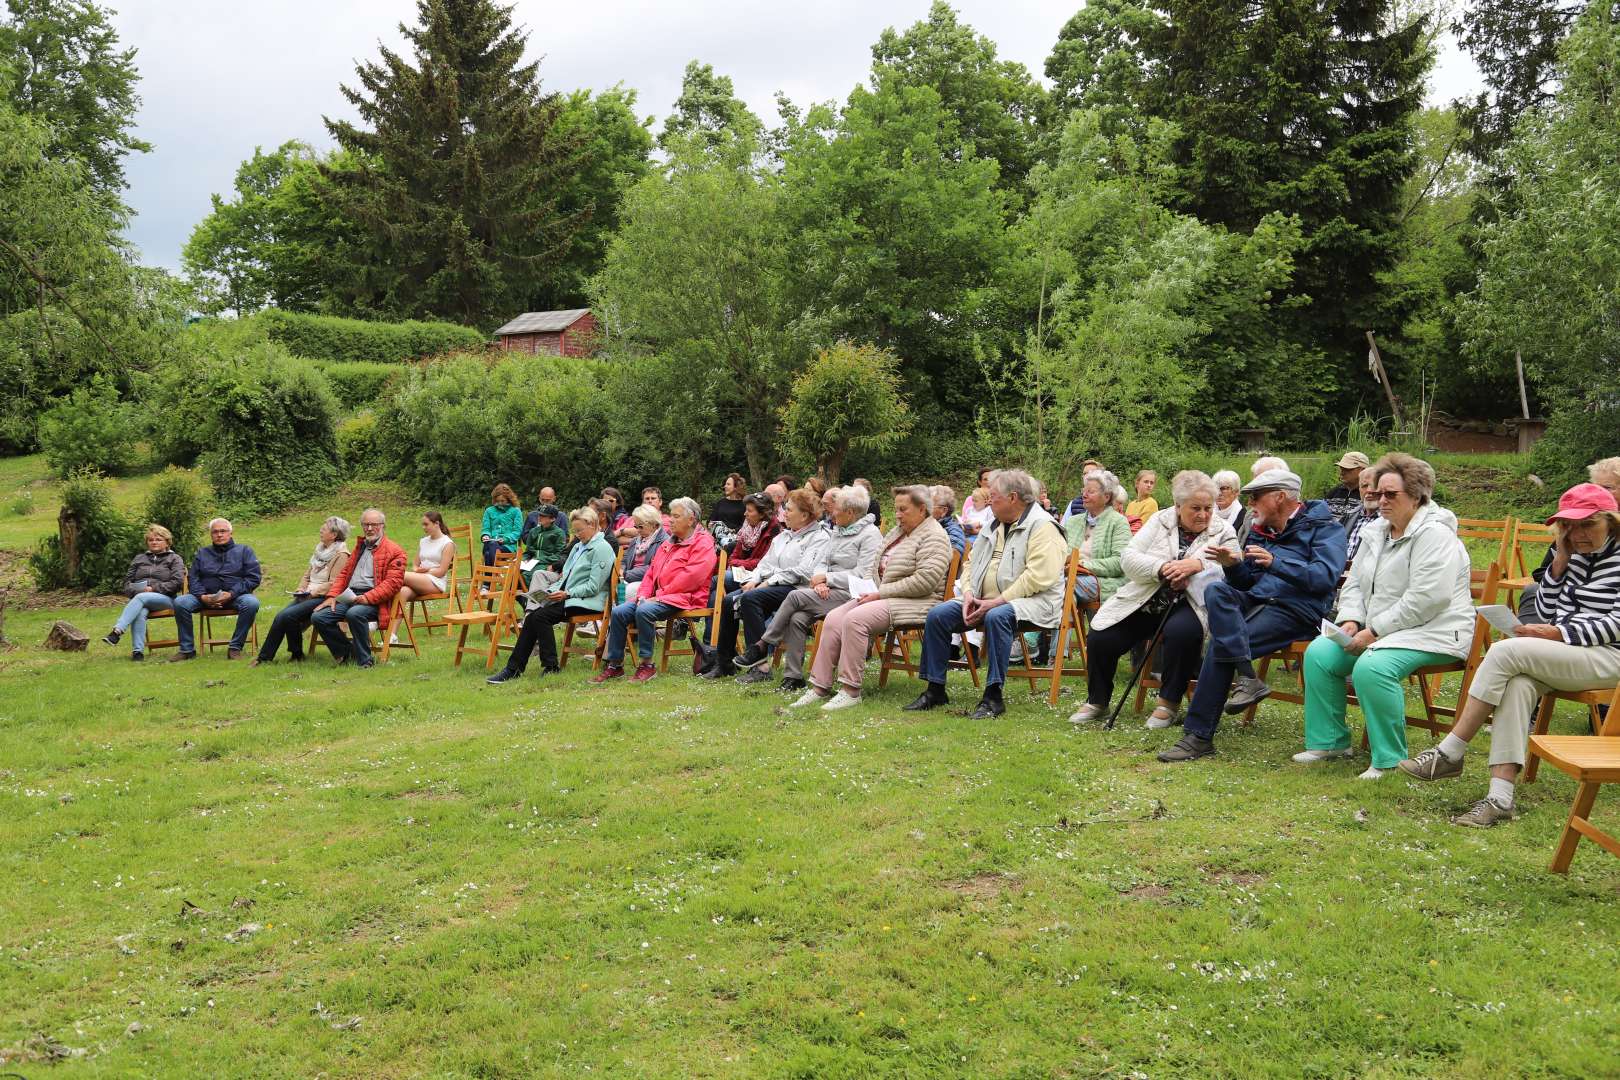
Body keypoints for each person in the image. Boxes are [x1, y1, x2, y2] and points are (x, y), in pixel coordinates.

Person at [1399, 482, 1620, 825]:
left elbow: (1616, 623)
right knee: (1517, 685)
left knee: (1503, 653)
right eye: (1569, 525)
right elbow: (1546, 611)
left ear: (1611, 521)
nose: (1578, 534)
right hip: (1569, 651)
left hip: (1609, 655)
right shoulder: (1570, 552)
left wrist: (1560, 633)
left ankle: (1451, 751)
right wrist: (1559, 563)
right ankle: (1500, 799)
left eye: (1588, 524)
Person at [1297, 454, 1474, 778]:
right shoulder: (1376, 531)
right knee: (1320, 653)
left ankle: (1389, 759)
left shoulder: (1435, 534)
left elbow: (1427, 599)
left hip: (1436, 630)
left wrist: (1374, 631)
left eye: (1390, 494)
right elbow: (1355, 584)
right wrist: (1351, 619)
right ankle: (1331, 742)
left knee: (1372, 666)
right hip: (1385, 630)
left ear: (1418, 496)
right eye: (1378, 493)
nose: (1381, 500)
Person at [1157, 468, 1347, 762]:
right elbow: (1246, 583)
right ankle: (1248, 678)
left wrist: (1276, 563)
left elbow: (1324, 578)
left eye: (1256, 497)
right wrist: (1232, 565)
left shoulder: (1325, 528)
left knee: (1222, 645)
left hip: (1297, 610)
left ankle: (1198, 736)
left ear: (1280, 497)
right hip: (1258, 599)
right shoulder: (1263, 530)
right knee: (1217, 591)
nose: (1251, 504)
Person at [1069, 472, 1236, 728]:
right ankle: (1097, 701)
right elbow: (1128, 558)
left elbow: (1233, 566)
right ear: (1179, 506)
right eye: (1195, 508)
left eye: (1208, 508)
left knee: (1182, 632)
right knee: (1101, 635)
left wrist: (1196, 566)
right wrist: (1162, 568)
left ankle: (1168, 704)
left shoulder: (1223, 530)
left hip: (1191, 603)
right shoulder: (1160, 520)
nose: (1203, 514)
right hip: (1147, 598)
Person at [903, 469, 1067, 719]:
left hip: (1033, 602)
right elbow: (970, 564)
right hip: (981, 600)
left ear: (1013, 497)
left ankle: (993, 696)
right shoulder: (993, 525)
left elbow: (1038, 577)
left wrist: (996, 602)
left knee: (996, 616)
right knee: (938, 615)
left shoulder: (1044, 527)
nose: (989, 501)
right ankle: (935, 689)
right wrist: (967, 594)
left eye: (994, 496)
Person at [790, 486, 952, 709]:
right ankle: (820, 686)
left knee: (855, 619)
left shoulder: (935, 536)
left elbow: (924, 582)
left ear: (922, 509)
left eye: (903, 509)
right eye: (896, 509)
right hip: (883, 596)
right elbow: (873, 567)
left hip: (918, 602)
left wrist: (879, 593)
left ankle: (850, 690)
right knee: (834, 618)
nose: (897, 514)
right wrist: (863, 588)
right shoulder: (898, 532)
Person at [738, 486, 883, 688]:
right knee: (797, 618)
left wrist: (827, 578)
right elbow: (822, 562)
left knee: (795, 597)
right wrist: (820, 579)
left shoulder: (870, 534)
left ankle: (763, 644)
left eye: (836, 508)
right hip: (827, 590)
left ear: (850, 513)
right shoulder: (838, 531)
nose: (831, 512)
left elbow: (863, 574)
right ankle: (794, 677)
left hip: (856, 593)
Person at [593, 497, 717, 684]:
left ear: (691, 519)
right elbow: (650, 574)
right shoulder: (670, 542)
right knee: (619, 612)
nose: (670, 520)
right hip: (658, 597)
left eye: (676, 516)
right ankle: (614, 665)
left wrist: (658, 596)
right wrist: (644, 594)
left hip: (686, 598)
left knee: (644, 611)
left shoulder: (703, 543)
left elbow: (692, 578)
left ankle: (647, 665)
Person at [487, 506, 617, 683]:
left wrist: (566, 593)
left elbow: (594, 587)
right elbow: (566, 577)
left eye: (580, 530)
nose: (577, 534)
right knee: (534, 616)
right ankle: (519, 668)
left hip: (587, 601)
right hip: (570, 597)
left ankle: (540, 667)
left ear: (592, 524)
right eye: (575, 531)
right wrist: (550, 592)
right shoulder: (579, 546)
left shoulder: (602, 548)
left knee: (539, 617)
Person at [707, 489, 827, 679]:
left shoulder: (819, 538)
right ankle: (725, 663)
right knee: (729, 601)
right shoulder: (783, 537)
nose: (784, 513)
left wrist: (769, 581)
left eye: (789, 510)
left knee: (750, 598)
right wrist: (755, 579)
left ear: (804, 515)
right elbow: (765, 564)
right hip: (772, 585)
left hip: (798, 589)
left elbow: (804, 571)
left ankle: (760, 667)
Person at [1517, 457, 1620, 617]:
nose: (1600, 493)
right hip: (1564, 607)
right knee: (1532, 592)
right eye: (1595, 487)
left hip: (1599, 620)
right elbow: (1544, 571)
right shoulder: (1574, 527)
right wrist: (1560, 565)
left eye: (1607, 488)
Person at [311, 507, 407, 668]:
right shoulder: (359, 547)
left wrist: (367, 598)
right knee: (319, 617)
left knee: (354, 613)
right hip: (350, 596)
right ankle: (347, 653)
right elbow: (344, 575)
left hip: (377, 601)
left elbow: (392, 584)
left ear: (383, 526)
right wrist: (332, 596)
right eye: (366, 524)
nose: (369, 529)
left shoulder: (395, 551)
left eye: (374, 524)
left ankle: (365, 661)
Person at [250, 517, 350, 666]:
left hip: (323, 597)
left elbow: (335, 583)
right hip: (307, 594)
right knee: (281, 617)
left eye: (325, 527)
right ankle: (268, 657)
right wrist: (301, 588)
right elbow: (307, 575)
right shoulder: (320, 550)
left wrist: (313, 592)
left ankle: (289, 655)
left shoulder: (341, 555)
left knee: (287, 615)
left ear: (334, 534)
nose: (321, 530)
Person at [169, 518, 262, 661]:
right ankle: (187, 650)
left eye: (223, 531)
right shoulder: (202, 553)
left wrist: (231, 594)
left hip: (235, 597)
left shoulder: (244, 551)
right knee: (180, 602)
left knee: (251, 603)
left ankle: (235, 648)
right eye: (215, 532)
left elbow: (253, 578)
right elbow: (193, 578)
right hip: (204, 597)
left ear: (231, 533)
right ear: (211, 535)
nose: (219, 535)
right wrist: (202, 597)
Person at [102, 524, 188, 661]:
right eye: (151, 540)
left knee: (141, 598)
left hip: (167, 600)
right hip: (140, 598)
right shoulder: (139, 559)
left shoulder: (174, 559)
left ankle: (117, 631)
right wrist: (137, 589)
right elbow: (126, 583)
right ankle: (138, 653)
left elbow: (177, 583)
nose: (154, 542)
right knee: (140, 610)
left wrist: (153, 588)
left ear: (167, 542)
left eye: (158, 539)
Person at [1065, 469, 1132, 606]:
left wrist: (1082, 565)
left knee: (1061, 587)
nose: (1084, 495)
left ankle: (1061, 627)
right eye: (1084, 490)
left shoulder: (1118, 522)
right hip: (1068, 576)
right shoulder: (1073, 521)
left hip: (1103, 581)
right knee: (1048, 583)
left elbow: (1120, 562)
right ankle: (1057, 626)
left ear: (1106, 497)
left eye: (1090, 491)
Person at [397, 511, 457, 616]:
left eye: (426, 524)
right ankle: (392, 632)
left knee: (398, 575)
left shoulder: (447, 543)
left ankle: (372, 599)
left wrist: (425, 572)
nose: (423, 527)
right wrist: (416, 570)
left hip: (435, 582)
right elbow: (415, 565)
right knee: (402, 592)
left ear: (437, 524)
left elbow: (442, 572)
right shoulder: (423, 541)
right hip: (420, 579)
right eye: (422, 524)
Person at [618, 504, 668, 602]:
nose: (637, 530)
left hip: (650, 583)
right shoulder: (636, 541)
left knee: (627, 591)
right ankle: (613, 616)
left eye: (640, 526)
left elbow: (653, 568)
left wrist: (625, 574)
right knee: (609, 589)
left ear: (654, 524)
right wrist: (620, 571)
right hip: (628, 578)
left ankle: (624, 615)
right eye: (636, 526)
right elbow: (624, 560)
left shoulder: (664, 542)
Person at [1339, 469, 1381, 565]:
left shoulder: (1390, 520)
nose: (1369, 490)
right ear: (1359, 490)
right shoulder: (1349, 516)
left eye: (1375, 485)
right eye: (1364, 486)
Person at [520, 503, 568, 576]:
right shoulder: (533, 531)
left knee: (526, 575)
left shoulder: (559, 533)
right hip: (530, 562)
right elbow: (528, 552)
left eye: (544, 516)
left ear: (553, 519)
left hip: (547, 563)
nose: (539, 518)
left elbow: (559, 555)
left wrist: (539, 559)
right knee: (513, 572)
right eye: (539, 515)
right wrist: (523, 560)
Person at [481, 484, 522, 566]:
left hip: (508, 546)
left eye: (502, 501)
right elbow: (486, 529)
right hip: (490, 543)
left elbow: (517, 532)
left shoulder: (516, 511)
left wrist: (505, 539)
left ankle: (489, 577)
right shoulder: (489, 511)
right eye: (497, 501)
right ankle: (495, 575)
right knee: (491, 545)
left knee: (488, 554)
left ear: (509, 499)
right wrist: (485, 535)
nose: (500, 503)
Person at [1323, 451, 1370, 519]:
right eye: (1341, 468)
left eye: (1347, 469)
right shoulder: (1334, 493)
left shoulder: (1369, 495)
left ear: (1362, 470)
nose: (1342, 472)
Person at [931, 485, 966, 555]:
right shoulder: (930, 526)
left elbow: (951, 560)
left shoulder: (953, 532)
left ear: (944, 511)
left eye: (929, 505)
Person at [1212, 470, 1248, 538]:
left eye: (1224, 489)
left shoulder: (1244, 518)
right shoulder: (1207, 512)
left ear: (1236, 491)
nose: (1219, 493)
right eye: (1216, 488)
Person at [961, 468, 993, 534]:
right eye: (985, 479)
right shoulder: (970, 499)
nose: (989, 482)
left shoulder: (999, 499)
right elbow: (964, 519)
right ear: (979, 481)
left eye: (991, 479)